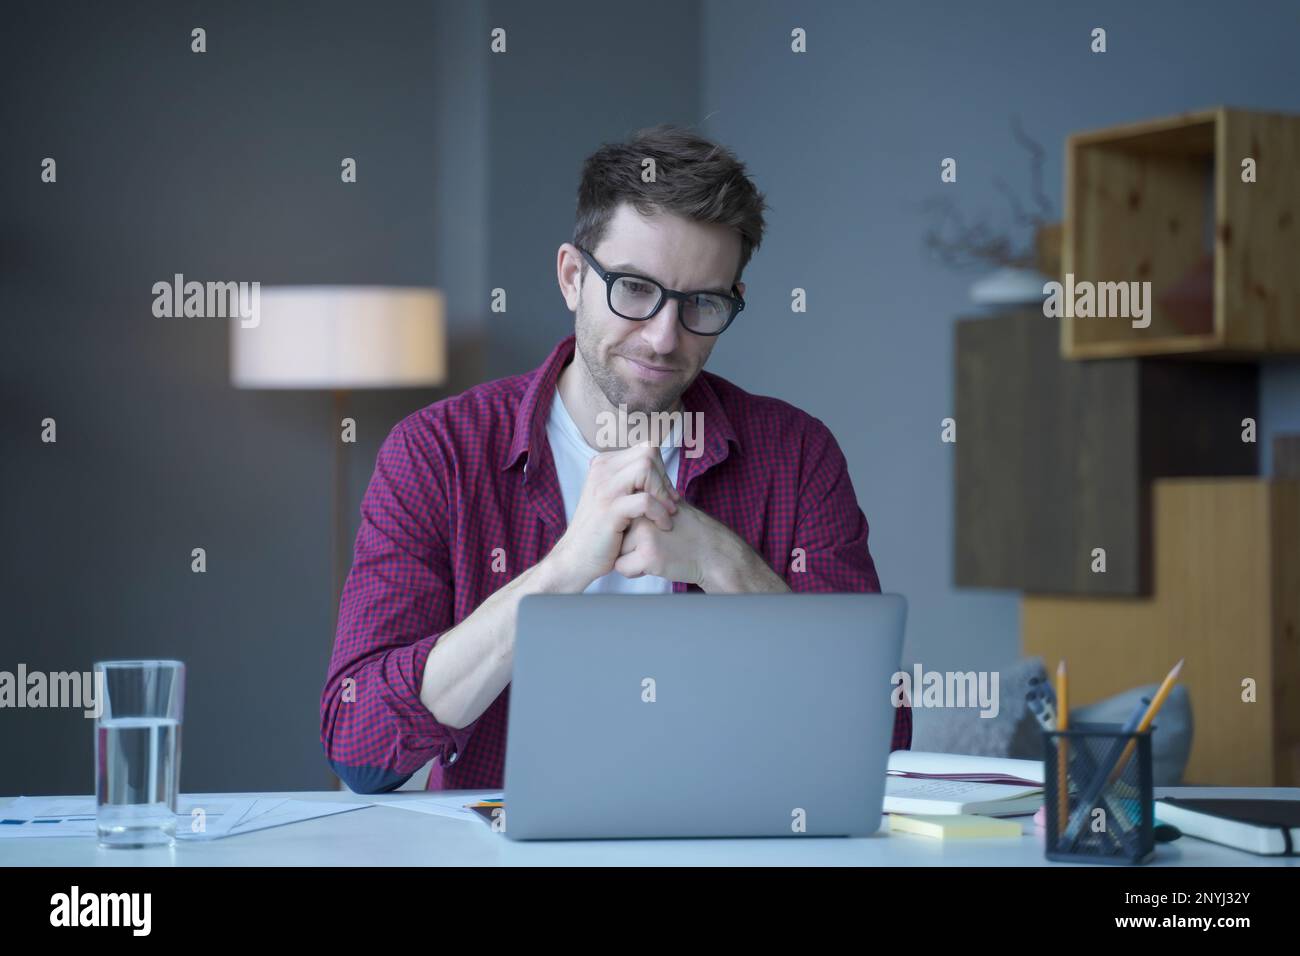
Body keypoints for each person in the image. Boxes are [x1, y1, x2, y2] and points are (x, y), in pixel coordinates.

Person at [320, 124, 910, 793]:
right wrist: (562, 572)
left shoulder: (797, 454)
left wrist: (725, 564)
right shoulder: (438, 452)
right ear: (574, 277)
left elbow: (881, 738)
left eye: (702, 304)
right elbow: (360, 746)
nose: (663, 337)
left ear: (734, 302)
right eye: (634, 288)